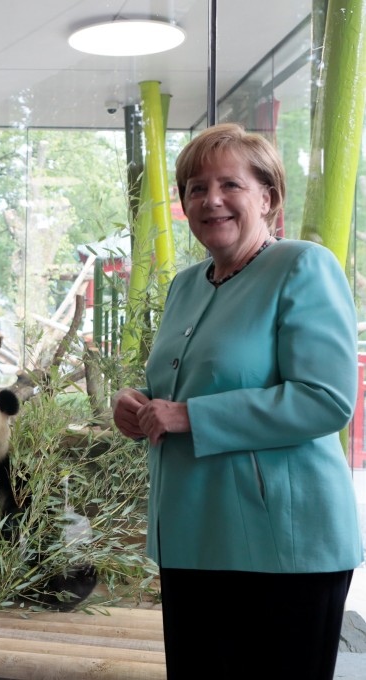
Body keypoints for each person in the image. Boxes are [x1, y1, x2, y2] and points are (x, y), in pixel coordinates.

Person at [112, 122, 362, 679]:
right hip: (191, 534)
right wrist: (139, 403)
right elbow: (180, 387)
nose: (211, 200)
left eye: (230, 184)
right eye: (196, 188)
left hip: (284, 546)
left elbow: (324, 400)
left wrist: (188, 416)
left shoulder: (303, 266)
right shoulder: (186, 283)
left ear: (268, 198)